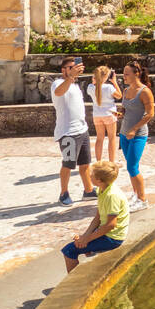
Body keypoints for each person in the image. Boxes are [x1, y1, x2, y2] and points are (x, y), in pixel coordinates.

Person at [60, 162, 129, 273]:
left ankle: (77, 285)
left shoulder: (111, 196)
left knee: (69, 251)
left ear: (99, 180)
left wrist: (88, 239)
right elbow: (98, 217)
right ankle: (91, 250)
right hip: (106, 232)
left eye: (91, 174)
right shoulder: (101, 190)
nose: (89, 175)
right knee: (79, 242)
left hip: (113, 238)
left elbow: (111, 225)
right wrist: (85, 236)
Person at [51, 55, 96, 206]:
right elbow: (58, 92)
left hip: (82, 130)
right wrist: (70, 78)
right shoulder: (58, 83)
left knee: (85, 164)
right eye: (71, 67)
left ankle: (88, 191)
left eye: (76, 67)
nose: (75, 70)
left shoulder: (75, 85)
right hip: (67, 133)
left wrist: (72, 78)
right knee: (68, 164)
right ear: (63, 70)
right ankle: (63, 193)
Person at [117, 59, 154, 210]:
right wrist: (120, 114)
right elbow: (125, 109)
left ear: (136, 74)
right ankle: (135, 194)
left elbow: (150, 114)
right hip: (124, 133)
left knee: (132, 167)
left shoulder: (145, 91)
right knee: (131, 166)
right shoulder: (126, 91)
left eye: (126, 74)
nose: (123, 76)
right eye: (123, 74)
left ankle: (143, 200)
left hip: (138, 135)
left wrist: (134, 129)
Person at [87, 64, 123, 165]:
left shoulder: (90, 87)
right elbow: (119, 96)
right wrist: (114, 82)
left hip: (97, 115)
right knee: (112, 138)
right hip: (109, 114)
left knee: (99, 138)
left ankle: (98, 162)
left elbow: (94, 85)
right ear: (106, 76)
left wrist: (94, 81)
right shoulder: (109, 87)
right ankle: (112, 162)